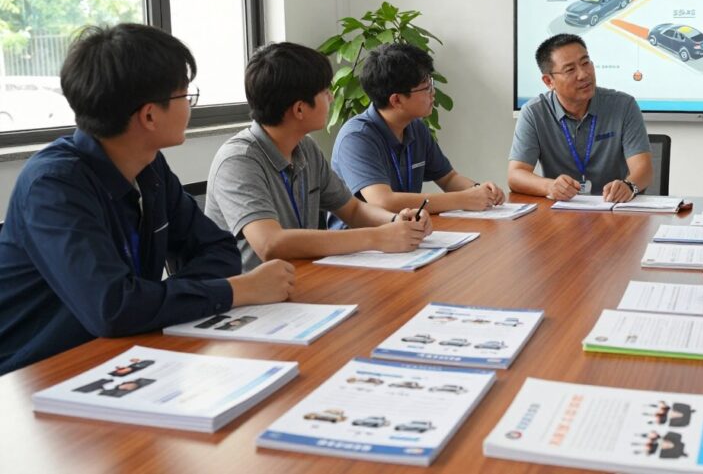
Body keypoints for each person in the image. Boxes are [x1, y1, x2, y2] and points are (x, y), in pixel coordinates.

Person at [0, 24, 295, 376]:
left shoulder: (149, 165)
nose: (190, 106)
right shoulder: (53, 187)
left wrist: (152, 300)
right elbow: (112, 308)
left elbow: (218, 249)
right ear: (150, 115)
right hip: (34, 375)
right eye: (185, 96)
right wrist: (236, 291)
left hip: (123, 355)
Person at [205, 42, 431, 272]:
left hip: (303, 279)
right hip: (247, 300)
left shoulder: (304, 147)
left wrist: (395, 222)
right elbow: (269, 244)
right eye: (325, 92)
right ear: (300, 109)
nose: (332, 99)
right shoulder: (238, 161)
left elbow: (353, 210)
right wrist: (377, 237)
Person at [332, 43, 505, 214]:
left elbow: (449, 178)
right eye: (426, 87)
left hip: (407, 232)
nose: (433, 93)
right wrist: (464, 199)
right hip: (362, 238)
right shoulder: (356, 137)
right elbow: (383, 201)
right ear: (396, 100)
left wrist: (480, 191)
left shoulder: (415, 127)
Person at [508, 34, 652, 202]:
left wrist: (629, 185)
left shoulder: (623, 105)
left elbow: (644, 169)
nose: (583, 74)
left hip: (614, 208)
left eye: (585, 63)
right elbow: (515, 175)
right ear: (549, 81)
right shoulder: (534, 112)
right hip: (561, 212)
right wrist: (550, 186)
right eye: (570, 69)